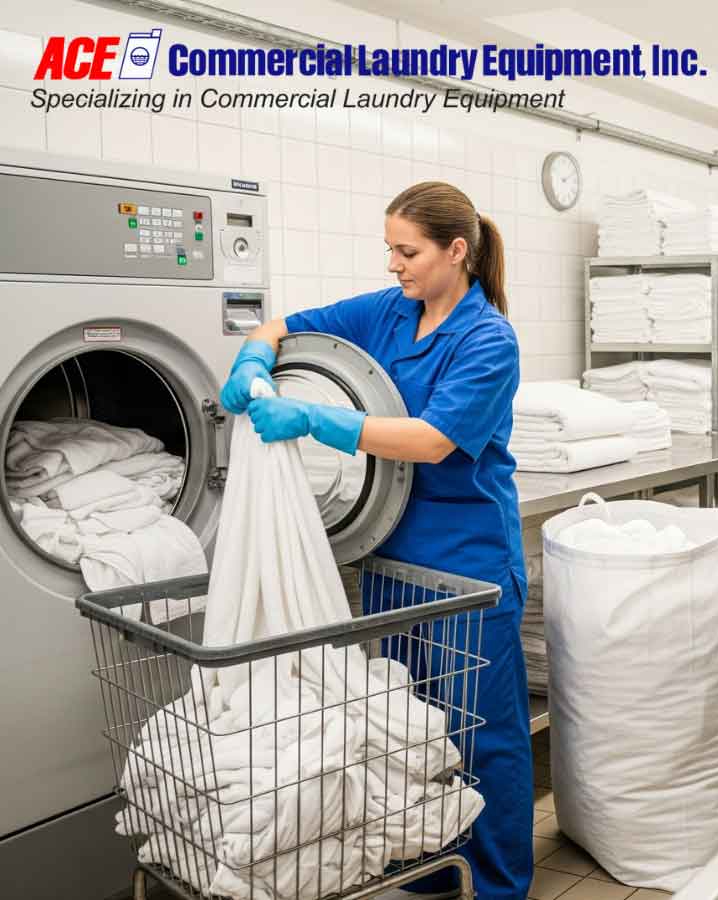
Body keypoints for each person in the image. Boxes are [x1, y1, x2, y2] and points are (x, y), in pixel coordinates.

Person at [218, 182, 533, 899]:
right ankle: (429, 873)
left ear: (457, 251)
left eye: (408, 250)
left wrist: (315, 422)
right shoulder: (389, 312)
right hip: (392, 560)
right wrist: (254, 362)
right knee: (407, 729)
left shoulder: (487, 338)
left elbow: (432, 442)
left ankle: (499, 887)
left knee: (485, 736)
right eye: (389, 248)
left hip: (468, 563)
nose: (394, 263)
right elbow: (279, 326)